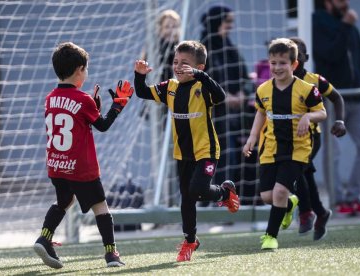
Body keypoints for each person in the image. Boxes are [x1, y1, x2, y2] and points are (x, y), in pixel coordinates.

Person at [134, 40, 240, 262]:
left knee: (198, 189)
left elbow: (220, 96)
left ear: (199, 68)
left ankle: (224, 193)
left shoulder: (202, 86)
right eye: (175, 62)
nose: (178, 66)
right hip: (183, 154)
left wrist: (201, 76)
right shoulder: (170, 87)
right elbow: (143, 92)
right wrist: (140, 75)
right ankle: (190, 240)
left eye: (185, 63)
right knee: (187, 199)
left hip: (206, 151)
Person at [33, 42, 134, 269]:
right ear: (79, 69)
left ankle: (44, 238)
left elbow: (74, 120)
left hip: (57, 165)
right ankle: (111, 254)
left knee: (63, 201)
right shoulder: (83, 99)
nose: (86, 75)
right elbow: (103, 125)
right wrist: (118, 105)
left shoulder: (50, 98)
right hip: (81, 167)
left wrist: (92, 109)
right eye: (86, 70)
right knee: (101, 207)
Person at [243, 38, 327, 250]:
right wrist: (253, 137)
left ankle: (270, 237)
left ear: (294, 64)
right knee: (266, 196)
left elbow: (322, 112)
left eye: (282, 63)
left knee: (279, 192)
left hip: (298, 149)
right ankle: (290, 205)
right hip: (270, 148)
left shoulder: (307, 89)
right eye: (273, 63)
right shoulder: (262, 90)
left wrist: (308, 117)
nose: (277, 67)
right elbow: (261, 113)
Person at [313, 0, 360, 216]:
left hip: (356, 98)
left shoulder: (348, 25)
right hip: (332, 102)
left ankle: (353, 197)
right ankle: (337, 200)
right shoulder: (318, 22)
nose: (346, 3)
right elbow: (330, 55)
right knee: (334, 152)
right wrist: (346, 26)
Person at [289, 37, 346, 240]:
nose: (294, 56)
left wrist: (340, 120)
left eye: (298, 52)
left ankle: (306, 212)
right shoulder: (279, 82)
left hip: (312, 137)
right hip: (288, 137)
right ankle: (321, 212)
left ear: (305, 57)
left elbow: (337, 97)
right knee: (305, 175)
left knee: (296, 169)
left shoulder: (315, 80)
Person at [200, 6, 253, 191]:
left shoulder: (231, 49)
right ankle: (210, 198)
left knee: (232, 158)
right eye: (227, 21)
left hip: (235, 116)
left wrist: (243, 94)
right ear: (216, 22)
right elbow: (199, 82)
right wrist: (223, 98)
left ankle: (226, 197)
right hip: (211, 117)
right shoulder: (202, 50)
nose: (230, 26)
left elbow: (245, 78)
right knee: (213, 159)